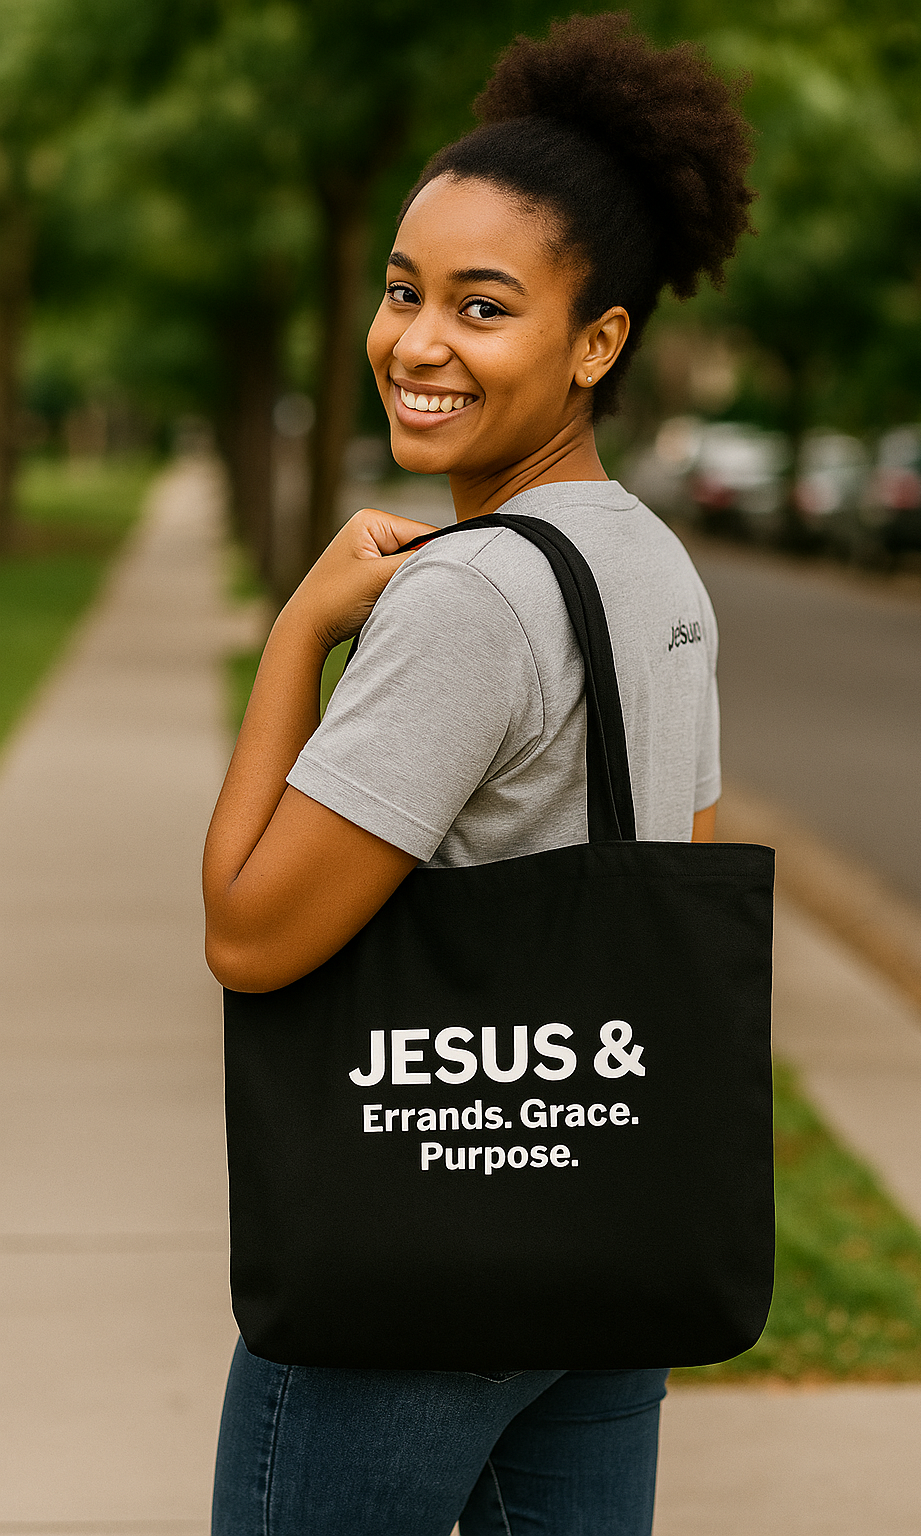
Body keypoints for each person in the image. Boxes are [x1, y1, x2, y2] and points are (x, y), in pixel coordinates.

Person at [203, 13, 754, 1533]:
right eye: (402, 290)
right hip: (606, 1249)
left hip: (419, 1269)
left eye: (484, 306)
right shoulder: (654, 566)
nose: (418, 340)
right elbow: (667, 865)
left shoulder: (465, 597)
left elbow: (252, 934)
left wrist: (298, 633)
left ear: (599, 343)